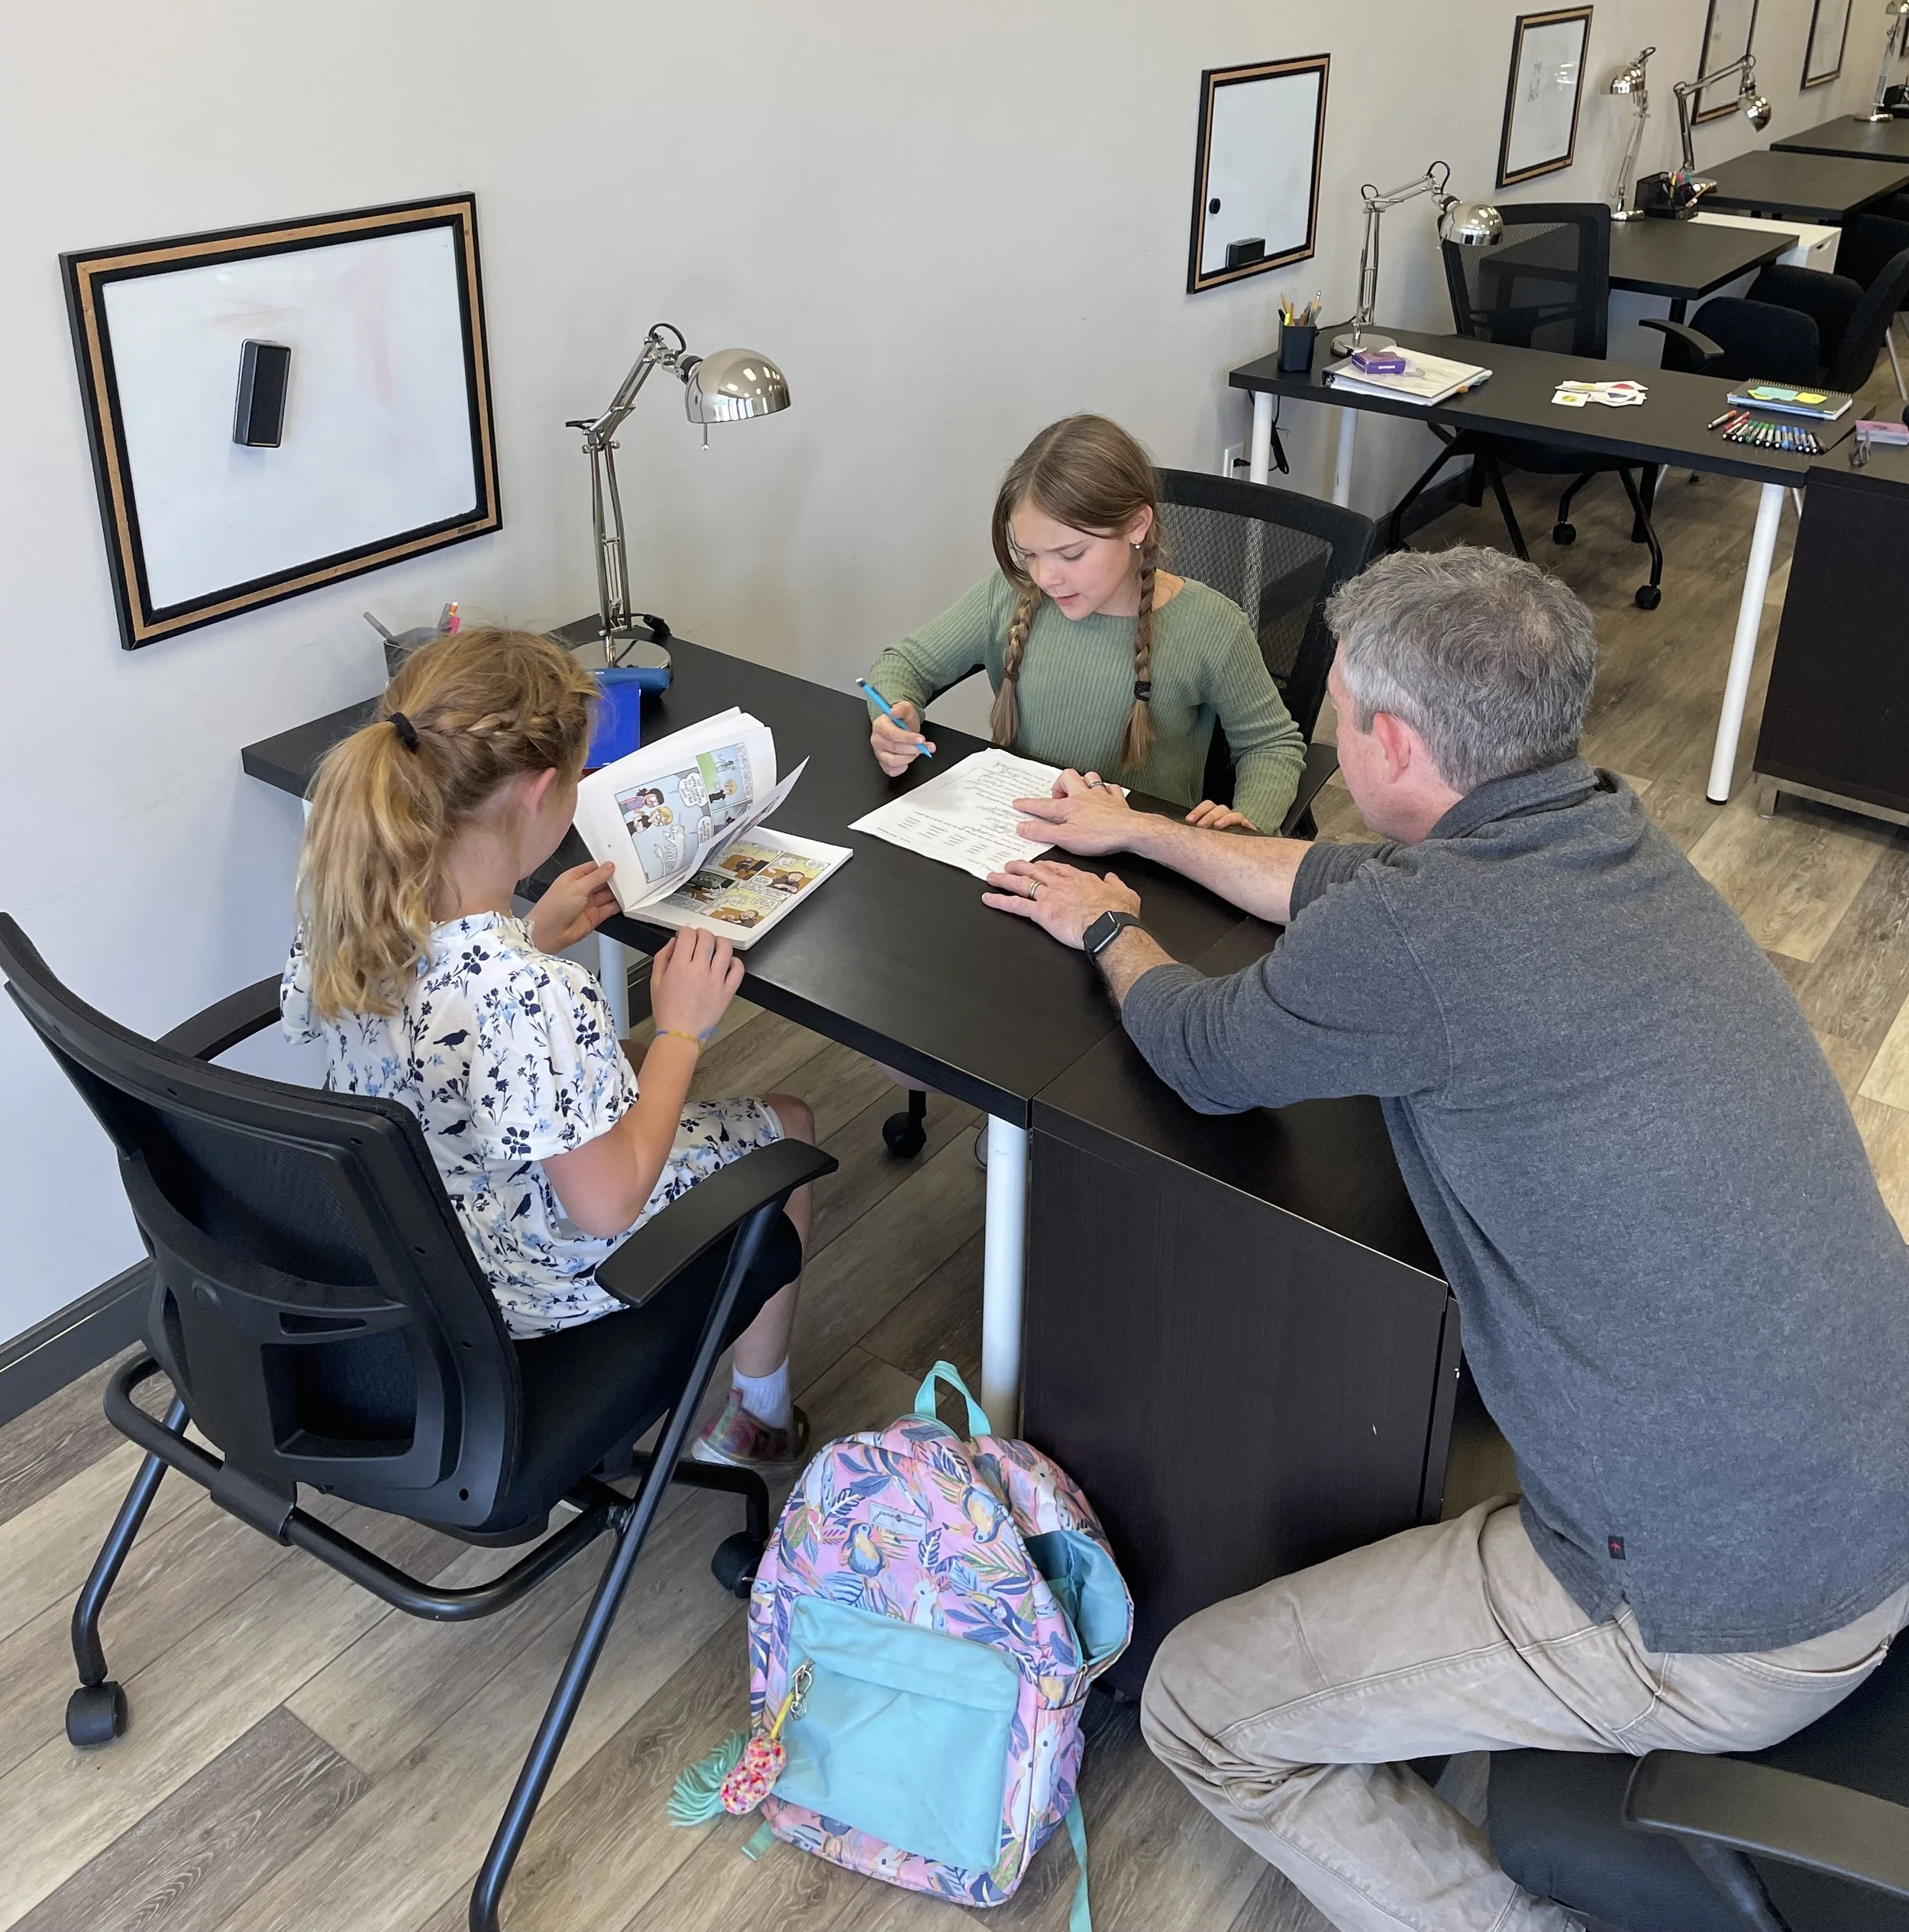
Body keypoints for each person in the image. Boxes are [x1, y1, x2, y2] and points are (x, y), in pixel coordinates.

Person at [980, 544, 1909, 1932]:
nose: (1336, 737)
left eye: (1343, 711)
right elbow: (1348, 883)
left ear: (1394, 739)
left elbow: (1203, 1048)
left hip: (1717, 1608)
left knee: (1201, 1705)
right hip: (1854, 1496)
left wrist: (1112, 926)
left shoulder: (1433, 937)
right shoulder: (1598, 832)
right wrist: (1154, 834)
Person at [282, 625, 816, 1473]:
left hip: (417, 1242)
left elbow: (447, 1030)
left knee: (627, 1063)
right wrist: (682, 1027)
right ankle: (760, 1419)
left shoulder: (354, 918)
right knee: (786, 1124)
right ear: (540, 795)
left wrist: (531, 934)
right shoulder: (533, 994)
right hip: (522, 1285)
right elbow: (606, 1206)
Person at [863, 412, 1307, 834]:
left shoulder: (1212, 627)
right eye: (1030, 554)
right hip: (1019, 839)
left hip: (1138, 864)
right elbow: (905, 664)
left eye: (1071, 555)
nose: (1045, 577)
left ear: (1137, 525)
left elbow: (1272, 746)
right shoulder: (1007, 595)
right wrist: (895, 717)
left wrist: (1246, 829)